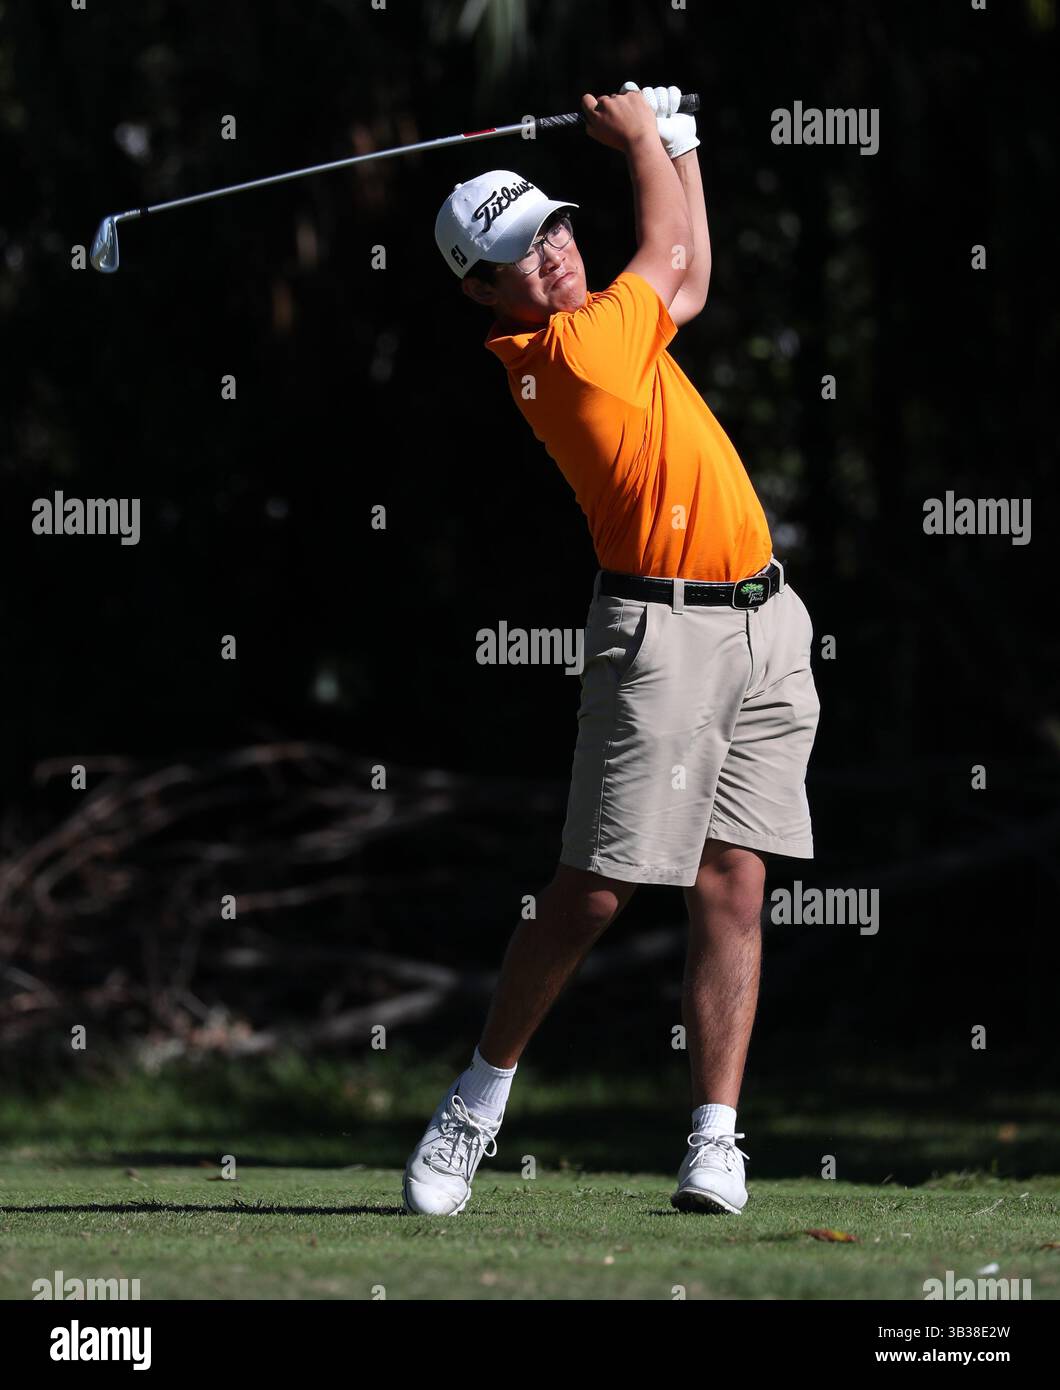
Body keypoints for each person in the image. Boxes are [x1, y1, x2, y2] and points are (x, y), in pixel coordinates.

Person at [404, 84, 820, 1217]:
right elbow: (668, 252)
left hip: (764, 621)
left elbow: (686, 276)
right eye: (516, 253)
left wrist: (680, 140)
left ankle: (714, 1140)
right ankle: (478, 1100)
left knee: (735, 882)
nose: (549, 256)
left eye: (552, 227)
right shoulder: (566, 356)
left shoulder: (620, 329)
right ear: (482, 292)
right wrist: (644, 135)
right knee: (592, 889)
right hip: (660, 633)